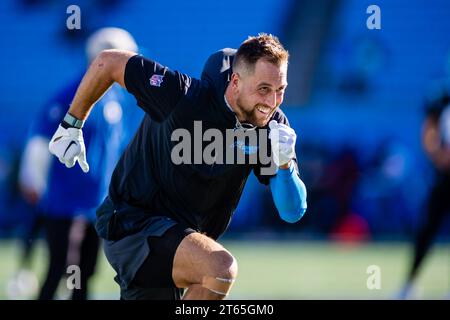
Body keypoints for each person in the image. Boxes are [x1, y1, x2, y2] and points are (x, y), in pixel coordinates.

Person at [47, 33, 308, 300]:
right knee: (219, 269)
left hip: (178, 242)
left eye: (281, 90)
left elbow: (291, 211)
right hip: (132, 223)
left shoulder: (273, 127)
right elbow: (109, 62)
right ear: (236, 81)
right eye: (264, 88)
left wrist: (285, 163)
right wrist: (71, 124)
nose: (272, 101)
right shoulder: (184, 96)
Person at [19, 27, 142, 300]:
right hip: (65, 204)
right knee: (59, 270)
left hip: (97, 205)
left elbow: (118, 151)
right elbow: (40, 141)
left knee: (84, 275)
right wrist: (34, 181)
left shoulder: (114, 101)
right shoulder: (69, 96)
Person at [398, 91, 450, 299]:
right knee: (427, 230)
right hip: (445, 177)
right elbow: (428, 128)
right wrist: (439, 156)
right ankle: (410, 284)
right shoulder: (443, 98)